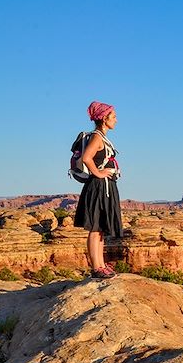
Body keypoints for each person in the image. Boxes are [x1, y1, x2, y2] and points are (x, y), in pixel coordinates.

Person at [74, 101, 123, 279]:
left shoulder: (102, 136)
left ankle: (101, 264)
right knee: (95, 228)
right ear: (104, 118)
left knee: (100, 227)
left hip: (105, 187)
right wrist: (99, 173)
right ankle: (96, 268)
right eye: (114, 116)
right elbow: (87, 157)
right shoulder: (97, 137)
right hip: (98, 187)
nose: (116, 120)